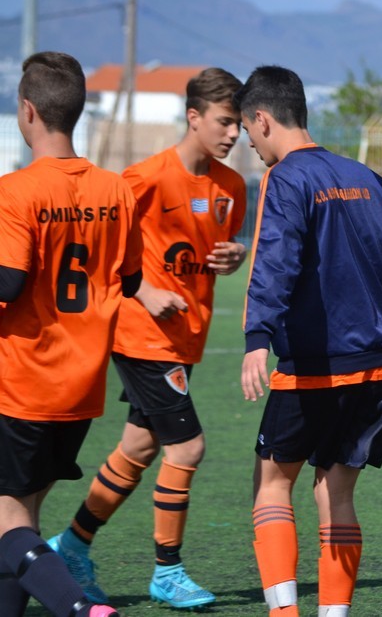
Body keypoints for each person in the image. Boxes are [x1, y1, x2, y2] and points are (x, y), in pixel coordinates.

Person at [47, 67, 249, 610]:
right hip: (143, 334)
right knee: (188, 447)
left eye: (238, 124)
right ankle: (167, 570)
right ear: (194, 116)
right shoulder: (145, 178)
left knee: (138, 446)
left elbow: (220, 247)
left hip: (186, 334)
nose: (233, 133)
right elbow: (97, 245)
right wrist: (142, 291)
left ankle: (70, 545)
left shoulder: (231, 186)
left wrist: (236, 255)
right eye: (224, 121)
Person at [236, 65, 382, 617]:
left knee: (272, 484)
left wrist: (257, 336)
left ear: (263, 119)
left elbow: (275, 260)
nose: (250, 144)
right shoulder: (361, 174)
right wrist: (361, 272)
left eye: (248, 131)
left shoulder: (286, 178)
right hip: (376, 369)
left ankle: (284, 613)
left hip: (314, 367)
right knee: (335, 493)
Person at [0, 51, 143, 617]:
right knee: (23, 514)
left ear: (27, 110)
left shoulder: (16, 191)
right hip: (81, 386)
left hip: (23, 380)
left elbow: (8, 283)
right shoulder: (116, 189)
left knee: (7, 518)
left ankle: (79, 609)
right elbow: (131, 280)